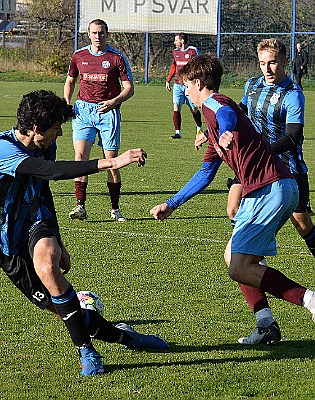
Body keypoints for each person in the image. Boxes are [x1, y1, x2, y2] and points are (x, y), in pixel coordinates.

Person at [0, 89, 169, 377]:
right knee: (58, 308)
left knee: (47, 267)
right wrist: (112, 161)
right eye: (57, 128)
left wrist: (58, 240)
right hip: (5, 241)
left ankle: (86, 351)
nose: (61, 135)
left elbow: (43, 190)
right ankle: (124, 336)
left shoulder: (44, 144)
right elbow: (49, 171)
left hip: (36, 222)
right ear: (37, 129)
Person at [151, 53, 315, 346]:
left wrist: (225, 132)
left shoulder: (216, 105)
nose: (185, 92)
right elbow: (205, 174)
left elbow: (225, 113)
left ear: (199, 83)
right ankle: (266, 324)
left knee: (239, 266)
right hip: (275, 187)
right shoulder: (212, 125)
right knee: (233, 257)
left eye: (187, 85)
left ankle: (310, 300)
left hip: (269, 188)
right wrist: (172, 203)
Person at [64, 19, 134, 222]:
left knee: (112, 162)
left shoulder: (116, 58)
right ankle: (80, 206)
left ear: (106, 33)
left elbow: (129, 88)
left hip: (108, 112)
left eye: (101, 33)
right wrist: (67, 102)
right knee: (80, 158)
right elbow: (70, 80)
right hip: (83, 110)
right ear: (88, 34)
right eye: (94, 33)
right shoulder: (79, 55)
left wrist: (114, 101)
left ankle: (115, 209)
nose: (97, 36)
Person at [166, 32, 204, 139]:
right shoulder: (175, 52)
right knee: (176, 105)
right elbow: (174, 66)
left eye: (176, 40)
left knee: (194, 109)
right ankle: (178, 133)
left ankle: (199, 128)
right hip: (178, 84)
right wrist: (168, 80)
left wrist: (196, 81)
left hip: (189, 85)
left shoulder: (192, 51)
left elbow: (198, 66)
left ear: (182, 41)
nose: (174, 42)